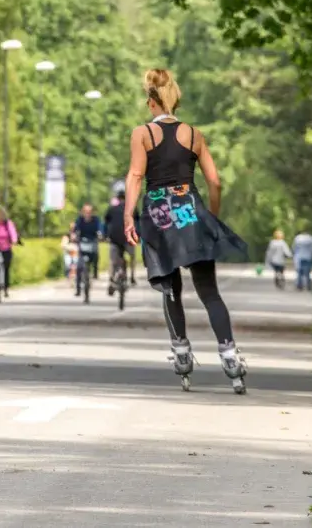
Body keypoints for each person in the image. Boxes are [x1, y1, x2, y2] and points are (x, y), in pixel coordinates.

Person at [123, 69, 250, 393]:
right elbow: (215, 181)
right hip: (191, 213)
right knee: (209, 291)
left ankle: (181, 353)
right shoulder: (194, 134)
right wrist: (211, 218)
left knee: (171, 289)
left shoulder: (142, 134)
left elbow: (136, 176)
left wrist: (128, 216)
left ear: (152, 101)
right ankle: (230, 354)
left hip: (158, 216)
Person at [105, 181, 137, 285]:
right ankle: (132, 276)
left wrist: (106, 235)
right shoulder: (133, 209)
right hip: (129, 238)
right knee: (132, 257)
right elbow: (138, 222)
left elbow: (106, 222)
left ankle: (111, 278)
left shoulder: (112, 209)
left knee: (113, 260)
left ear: (118, 198)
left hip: (114, 238)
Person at [69, 203, 102, 296]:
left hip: (92, 242)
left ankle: (95, 273)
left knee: (96, 256)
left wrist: (100, 234)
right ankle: (78, 289)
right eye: (86, 212)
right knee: (79, 267)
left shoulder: (96, 220)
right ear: (83, 212)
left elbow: (100, 229)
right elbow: (75, 230)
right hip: (82, 244)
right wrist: (73, 235)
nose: (87, 213)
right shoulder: (80, 220)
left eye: (89, 212)